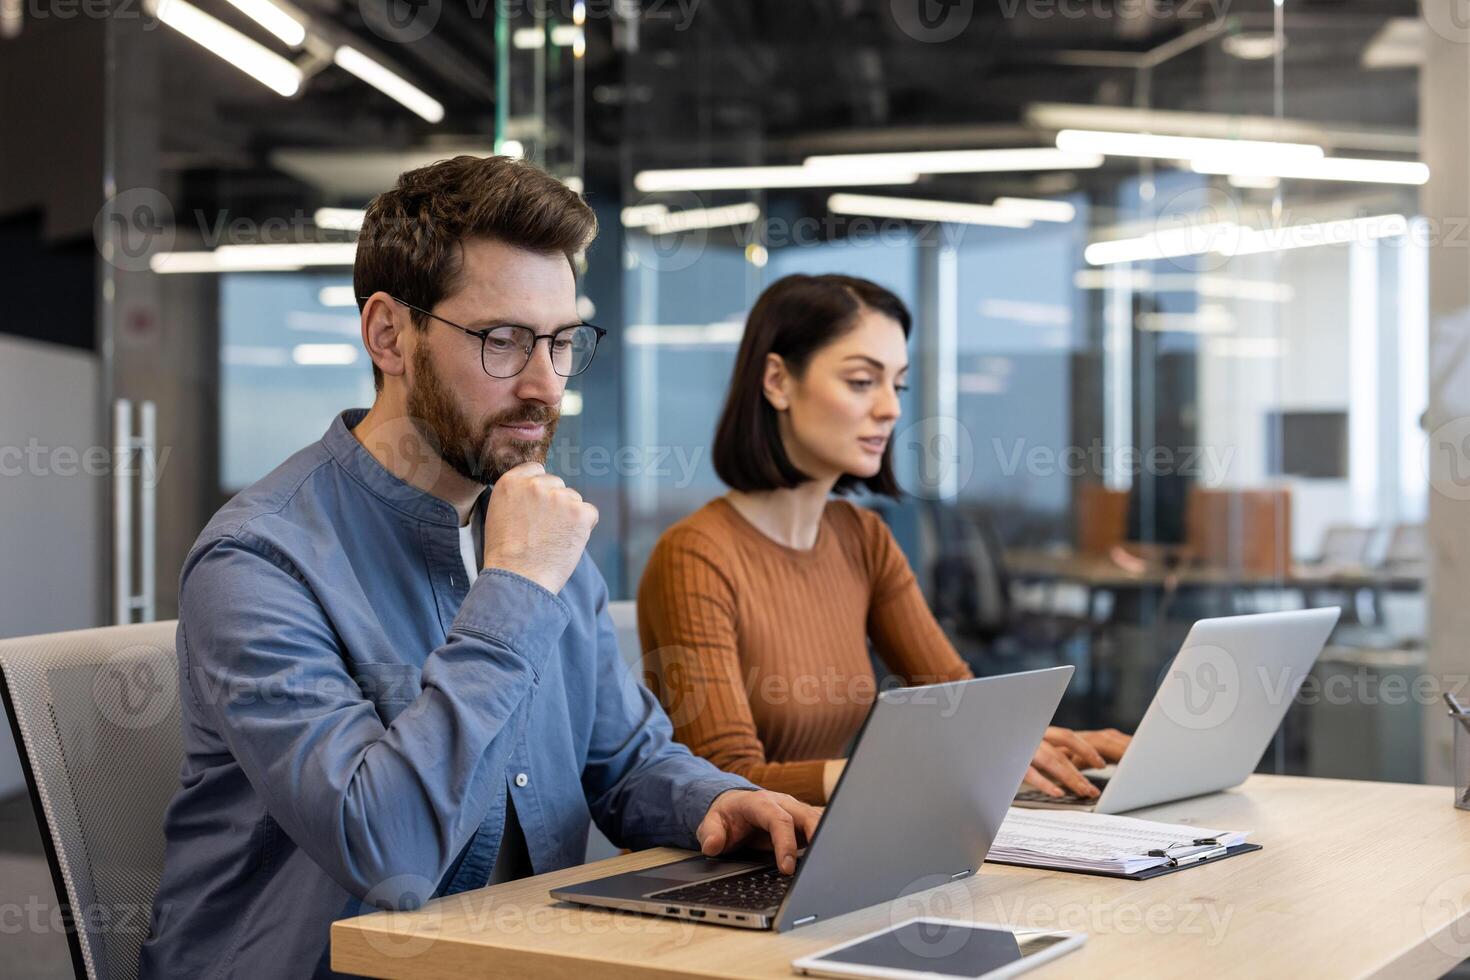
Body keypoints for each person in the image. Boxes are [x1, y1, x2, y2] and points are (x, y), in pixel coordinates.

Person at [139, 156, 819, 980]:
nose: (544, 385)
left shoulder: (532, 524)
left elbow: (625, 761)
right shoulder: (259, 561)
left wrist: (714, 800)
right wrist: (516, 591)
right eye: (504, 341)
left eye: (564, 343)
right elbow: (384, 849)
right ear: (390, 334)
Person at [638, 273, 1130, 808]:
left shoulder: (862, 537)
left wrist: (1027, 742)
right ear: (777, 381)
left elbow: (954, 700)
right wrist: (904, 771)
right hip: (718, 863)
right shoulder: (694, 556)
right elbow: (724, 780)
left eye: (897, 385)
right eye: (860, 381)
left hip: (819, 841)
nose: (891, 408)